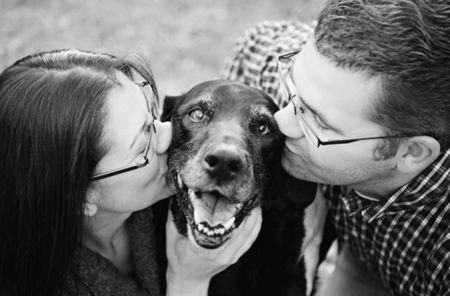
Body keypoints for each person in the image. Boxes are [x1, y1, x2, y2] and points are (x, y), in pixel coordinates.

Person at [223, 0, 450, 295]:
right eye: (293, 84)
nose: (282, 122)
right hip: (362, 253)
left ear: (412, 152)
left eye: (318, 122)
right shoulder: (294, 72)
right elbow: (254, 45)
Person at [0, 48, 262, 296]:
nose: (169, 134)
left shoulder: (186, 203)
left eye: (153, 119)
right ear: (82, 194)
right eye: (144, 141)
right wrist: (189, 280)